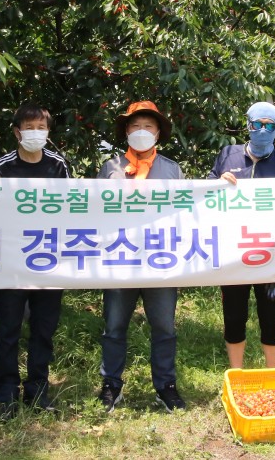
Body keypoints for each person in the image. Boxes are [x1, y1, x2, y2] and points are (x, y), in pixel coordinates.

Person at [96, 101, 186, 413]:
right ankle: (111, 385)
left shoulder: (172, 169)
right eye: (135, 126)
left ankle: (166, 386)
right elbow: (94, 211)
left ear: (159, 132)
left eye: (148, 126)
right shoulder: (110, 168)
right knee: (114, 326)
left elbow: (187, 212)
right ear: (126, 132)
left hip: (161, 261)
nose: (142, 131)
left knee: (164, 327)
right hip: (120, 260)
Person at [0, 104, 70, 420]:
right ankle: (6, 392)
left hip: (49, 261)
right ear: (17, 132)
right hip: (10, 262)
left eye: (41, 127)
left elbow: (69, 213)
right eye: (29, 127)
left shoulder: (59, 166)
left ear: (48, 132)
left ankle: (38, 390)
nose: (35, 133)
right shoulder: (1, 168)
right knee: (8, 328)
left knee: (44, 329)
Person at [208, 101, 275, 369]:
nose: (262, 129)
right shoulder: (228, 155)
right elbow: (206, 195)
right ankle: (236, 374)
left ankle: (272, 375)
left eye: (269, 125)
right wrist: (218, 182)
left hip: (272, 259)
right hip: (234, 255)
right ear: (247, 125)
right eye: (257, 124)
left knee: (271, 318)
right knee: (234, 317)